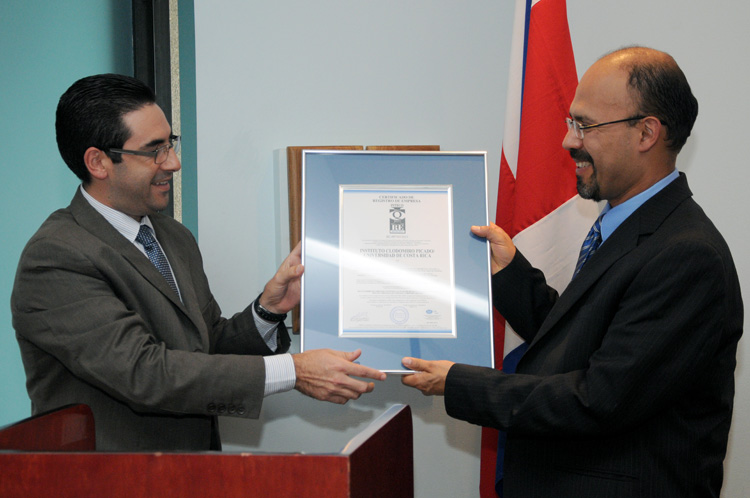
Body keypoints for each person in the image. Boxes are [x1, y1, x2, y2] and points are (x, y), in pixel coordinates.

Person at [401, 46, 743, 497]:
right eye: (570, 123)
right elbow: (582, 343)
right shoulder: (623, 226)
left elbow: (598, 399)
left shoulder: (687, 257)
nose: (568, 141)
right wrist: (509, 274)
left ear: (646, 133)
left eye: (585, 125)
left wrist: (459, 383)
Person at [10, 73, 386, 451]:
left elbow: (203, 348)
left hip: (192, 476)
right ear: (99, 162)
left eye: (170, 143)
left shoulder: (173, 236)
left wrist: (267, 311)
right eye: (153, 150)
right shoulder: (56, 257)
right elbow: (145, 373)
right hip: (111, 483)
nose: (172, 162)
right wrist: (294, 370)